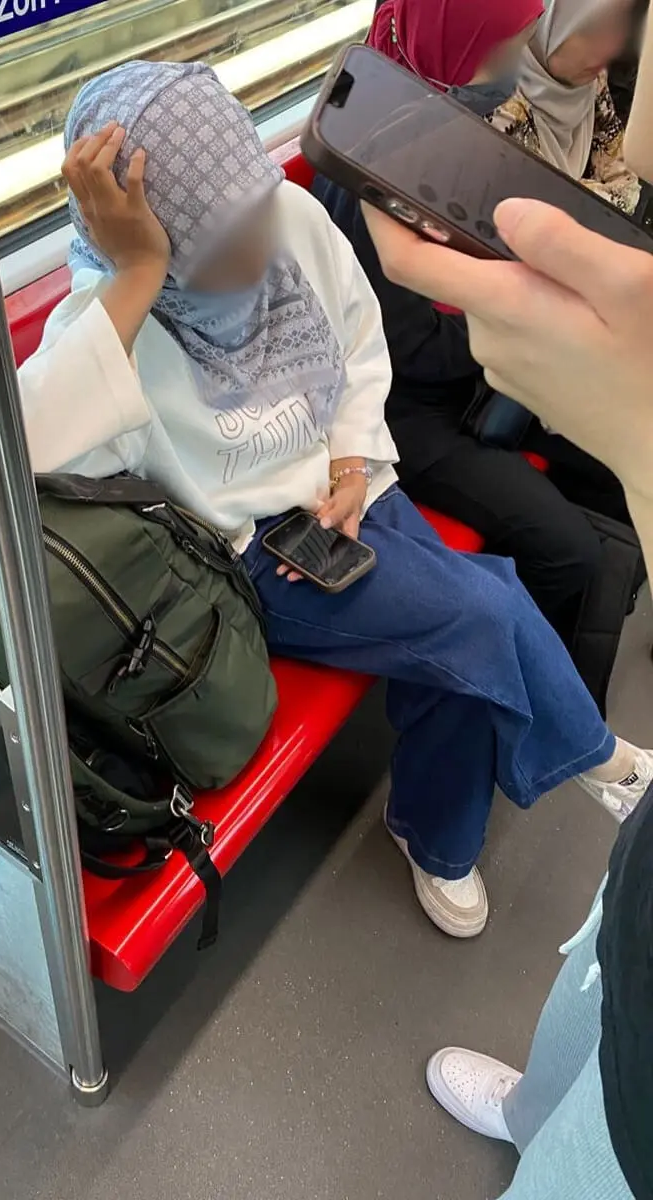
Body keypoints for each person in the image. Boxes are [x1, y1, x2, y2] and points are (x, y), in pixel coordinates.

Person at [18, 58, 653, 943]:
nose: (258, 248)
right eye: (218, 241)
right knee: (484, 604)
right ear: (153, 242)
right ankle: (599, 761)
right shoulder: (113, 314)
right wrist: (136, 276)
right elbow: (27, 450)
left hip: (351, 482)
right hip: (251, 552)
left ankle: (437, 835)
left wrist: (354, 463)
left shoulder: (288, 217)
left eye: (256, 214)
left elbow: (356, 344)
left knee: (459, 649)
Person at [360, 23, 653, 1195]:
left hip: (463, 390)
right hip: (411, 422)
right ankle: (545, 1103)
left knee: (608, 552)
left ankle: (563, 730)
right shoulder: (399, 159)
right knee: (529, 575)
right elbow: (370, 366)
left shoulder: (495, 136)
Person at [313, 0, 638, 713]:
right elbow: (407, 349)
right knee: (574, 555)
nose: (516, 65)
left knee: (619, 492)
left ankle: (562, 706)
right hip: (402, 411)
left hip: (474, 372)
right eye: (508, 45)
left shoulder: (445, 119)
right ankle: (550, 719)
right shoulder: (370, 161)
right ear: (460, 47)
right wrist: (521, 316)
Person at [492, 0, 640, 214]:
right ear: (548, 23)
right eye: (589, 30)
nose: (608, 49)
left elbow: (627, 184)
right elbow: (543, 206)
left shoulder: (592, 82)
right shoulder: (497, 105)